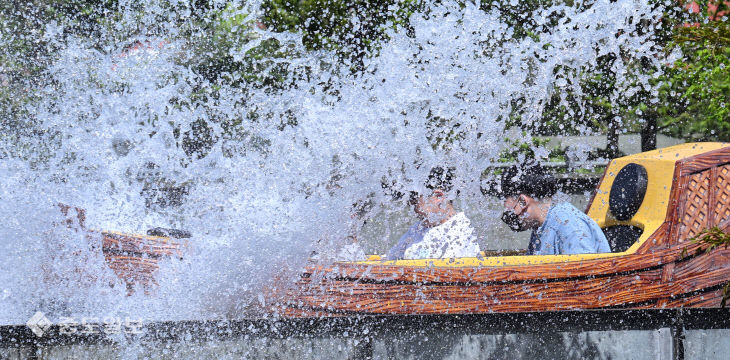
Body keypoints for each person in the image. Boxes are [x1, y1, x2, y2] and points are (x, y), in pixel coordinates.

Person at [500, 163, 611, 255]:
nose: (505, 207)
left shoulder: (568, 225)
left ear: (523, 201)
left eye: (505, 199)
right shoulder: (541, 225)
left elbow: (586, 274)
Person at [386, 167, 481, 260]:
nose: (411, 209)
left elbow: (447, 271)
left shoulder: (460, 229)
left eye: (414, 202)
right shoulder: (418, 228)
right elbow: (390, 259)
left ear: (438, 196)